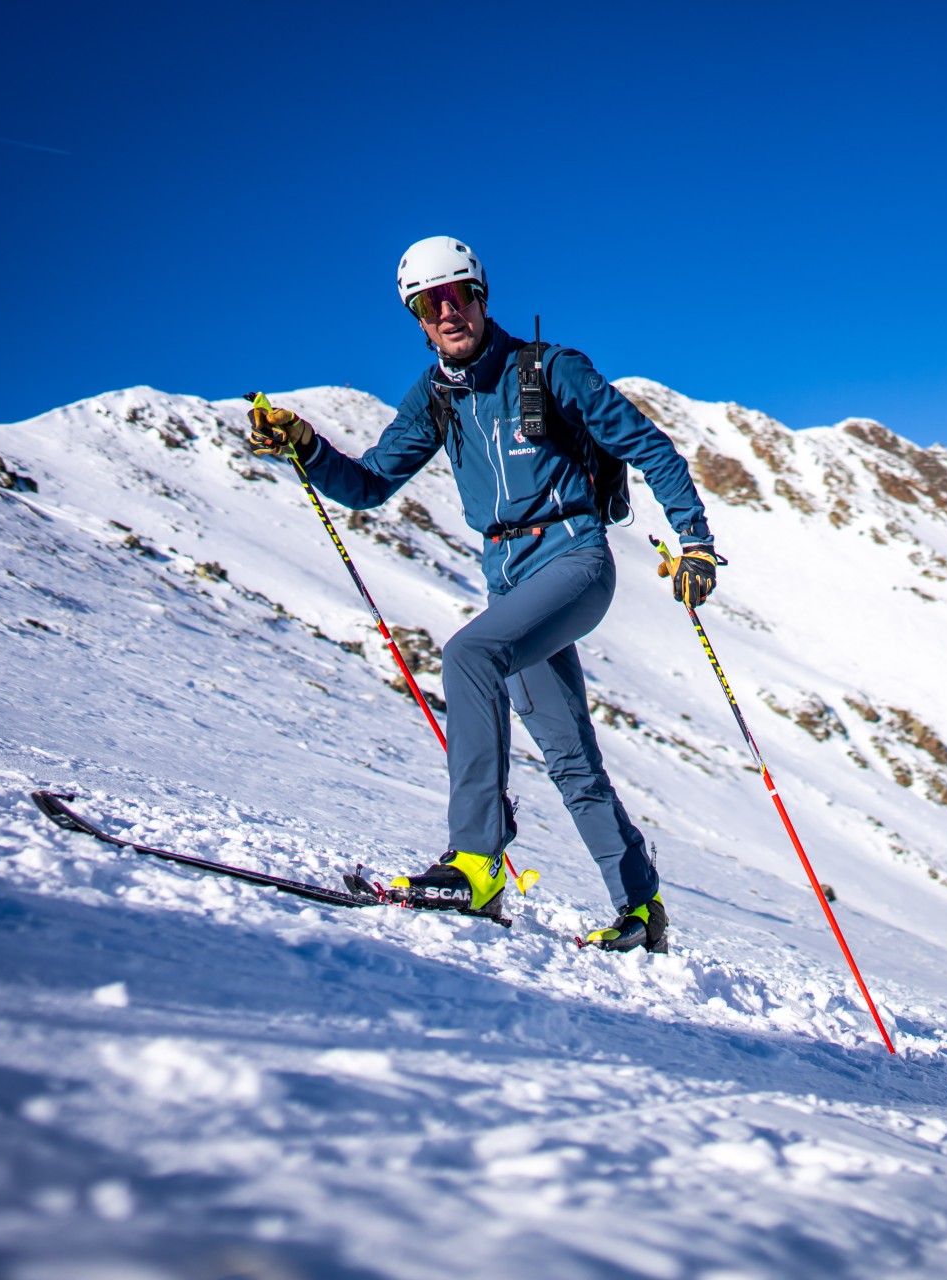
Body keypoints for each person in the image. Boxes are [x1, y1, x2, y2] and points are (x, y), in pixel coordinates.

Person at [246, 236, 718, 952]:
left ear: (480, 295)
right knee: (568, 757)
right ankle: (640, 909)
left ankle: (475, 862)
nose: (446, 313)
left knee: (468, 655)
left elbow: (648, 446)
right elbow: (371, 485)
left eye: (456, 295)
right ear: (415, 318)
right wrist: (306, 446)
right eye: (427, 305)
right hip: (509, 579)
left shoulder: (549, 370)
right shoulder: (435, 399)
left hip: (575, 560)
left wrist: (695, 541)